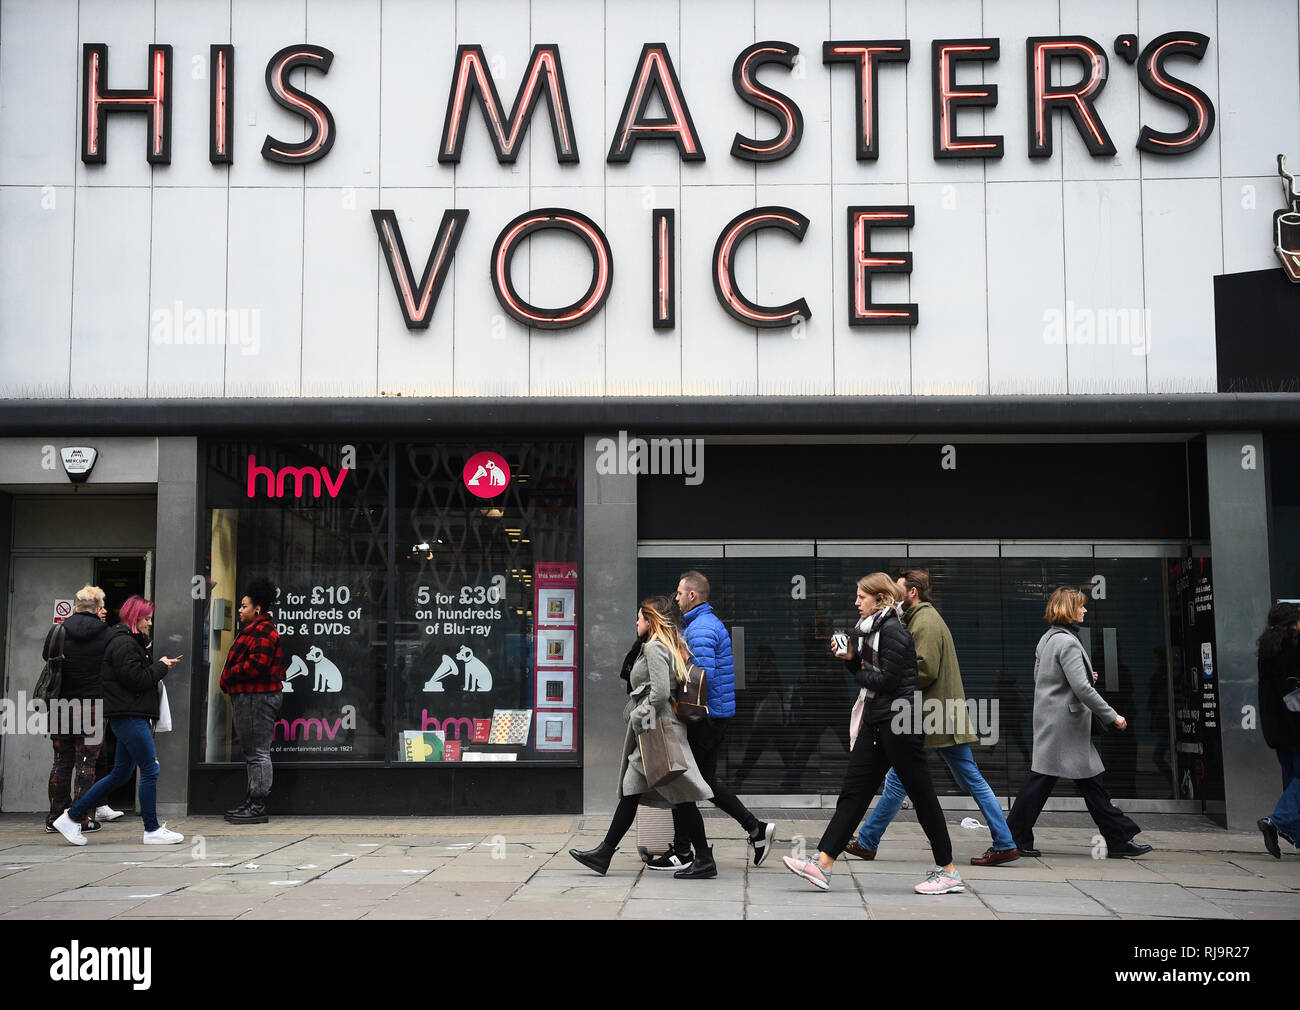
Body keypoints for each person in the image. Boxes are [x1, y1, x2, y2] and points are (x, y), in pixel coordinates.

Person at [783, 574, 963, 894]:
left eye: (861, 597)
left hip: (900, 723)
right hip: (878, 720)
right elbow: (875, 679)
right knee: (854, 792)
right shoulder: (875, 631)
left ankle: (948, 871)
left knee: (921, 795)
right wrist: (852, 660)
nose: (856, 603)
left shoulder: (893, 631)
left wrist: (853, 662)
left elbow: (887, 682)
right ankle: (823, 863)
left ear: (880, 599)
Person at [844, 569, 1019, 866]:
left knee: (900, 781)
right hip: (939, 716)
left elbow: (923, 671)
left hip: (929, 716)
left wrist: (887, 676)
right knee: (965, 778)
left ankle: (868, 840)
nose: (895, 596)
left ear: (912, 592)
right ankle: (1004, 842)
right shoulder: (923, 619)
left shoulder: (924, 622)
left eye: (899, 590)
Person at [570, 596, 718, 878]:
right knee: (634, 791)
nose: (636, 622)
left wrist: (638, 716)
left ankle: (704, 859)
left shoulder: (654, 648)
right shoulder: (662, 646)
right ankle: (604, 853)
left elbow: (661, 693)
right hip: (654, 731)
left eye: (639, 618)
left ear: (650, 621)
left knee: (681, 797)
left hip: (658, 733)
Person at [1004, 587, 1151, 858]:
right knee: (1058, 782)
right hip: (1066, 726)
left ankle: (1016, 836)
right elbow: (1083, 690)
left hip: (1055, 722)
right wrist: (1112, 715)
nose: (1084, 610)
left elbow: (1043, 679)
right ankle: (1014, 836)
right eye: (1081, 606)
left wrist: (1082, 676)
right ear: (1069, 609)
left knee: (1085, 782)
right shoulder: (1069, 642)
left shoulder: (1047, 639)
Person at [647, 571, 775, 871]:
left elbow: (699, 677)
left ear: (693, 595)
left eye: (680, 593)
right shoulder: (700, 624)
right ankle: (753, 830)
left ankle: (688, 850)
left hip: (704, 718)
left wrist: (675, 687)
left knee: (683, 781)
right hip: (713, 716)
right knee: (701, 782)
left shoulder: (701, 628)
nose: (676, 598)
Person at [52, 596, 183, 846]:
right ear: (136, 618)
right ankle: (152, 829)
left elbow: (132, 674)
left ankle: (72, 817)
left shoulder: (124, 641)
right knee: (150, 768)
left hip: (127, 714)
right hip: (129, 715)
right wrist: (162, 667)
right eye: (146, 618)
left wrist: (148, 656)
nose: (150, 623)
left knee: (121, 773)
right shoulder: (123, 643)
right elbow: (136, 679)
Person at [42, 586, 122, 834]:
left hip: (62, 705)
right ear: (99, 609)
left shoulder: (58, 631)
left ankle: (55, 816)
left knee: (61, 763)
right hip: (94, 707)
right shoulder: (108, 634)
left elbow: (48, 657)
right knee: (87, 764)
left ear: (75, 607)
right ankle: (79, 819)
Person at [219, 580, 286, 825]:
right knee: (253, 753)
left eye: (244, 606)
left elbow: (258, 664)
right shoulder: (257, 629)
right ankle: (252, 800)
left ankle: (257, 804)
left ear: (257, 609)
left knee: (257, 752)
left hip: (256, 697)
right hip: (251, 697)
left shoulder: (263, 630)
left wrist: (230, 673)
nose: (239, 609)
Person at [1255, 602, 1300, 858]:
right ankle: (1278, 821)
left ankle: (1292, 832)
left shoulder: (1267, 647)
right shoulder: (1294, 644)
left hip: (1277, 725)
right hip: (1295, 721)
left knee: (1292, 777)